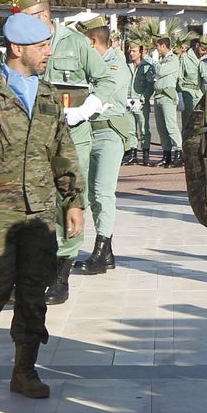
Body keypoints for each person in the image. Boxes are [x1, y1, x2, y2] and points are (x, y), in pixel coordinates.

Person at [0, 12, 85, 400]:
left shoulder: (47, 95)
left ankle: (24, 370)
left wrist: (73, 200)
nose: (47, 53)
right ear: (16, 48)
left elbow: (63, 151)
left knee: (33, 290)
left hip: (40, 207)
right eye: (42, 47)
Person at [11, 0, 109, 302]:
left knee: (69, 202)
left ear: (42, 15)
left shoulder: (75, 43)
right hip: (35, 139)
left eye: (26, 18)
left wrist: (87, 108)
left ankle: (60, 276)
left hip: (73, 136)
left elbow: (106, 80)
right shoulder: (23, 44)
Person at [76, 15, 132, 276]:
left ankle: (100, 250)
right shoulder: (89, 64)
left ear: (93, 40)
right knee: (89, 193)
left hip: (109, 131)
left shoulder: (115, 65)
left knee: (102, 191)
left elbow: (101, 95)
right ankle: (106, 252)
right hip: (89, 131)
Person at [148, 35, 182, 167]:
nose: (156, 49)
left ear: (163, 46)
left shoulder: (173, 59)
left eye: (157, 46)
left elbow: (160, 71)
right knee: (161, 128)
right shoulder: (162, 60)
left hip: (167, 95)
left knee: (171, 126)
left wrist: (155, 62)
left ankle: (179, 153)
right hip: (158, 96)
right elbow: (153, 76)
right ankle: (166, 155)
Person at [125, 41, 151, 165]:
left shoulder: (146, 66)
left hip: (141, 102)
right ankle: (133, 154)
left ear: (140, 52)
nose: (131, 53)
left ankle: (146, 154)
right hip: (129, 100)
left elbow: (150, 85)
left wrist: (142, 99)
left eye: (134, 51)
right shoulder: (127, 65)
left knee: (144, 128)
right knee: (130, 129)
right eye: (130, 50)